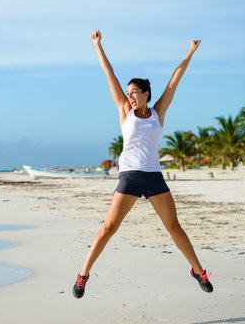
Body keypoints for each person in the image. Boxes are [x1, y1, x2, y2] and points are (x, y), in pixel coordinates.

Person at [72, 30, 212, 299]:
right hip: (130, 177)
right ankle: (83, 275)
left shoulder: (158, 112)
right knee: (109, 228)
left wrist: (190, 53)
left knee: (174, 227)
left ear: (147, 93)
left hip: (153, 177)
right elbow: (108, 74)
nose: (131, 96)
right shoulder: (126, 111)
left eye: (135, 92)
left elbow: (175, 79)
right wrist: (98, 46)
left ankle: (198, 270)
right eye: (128, 93)